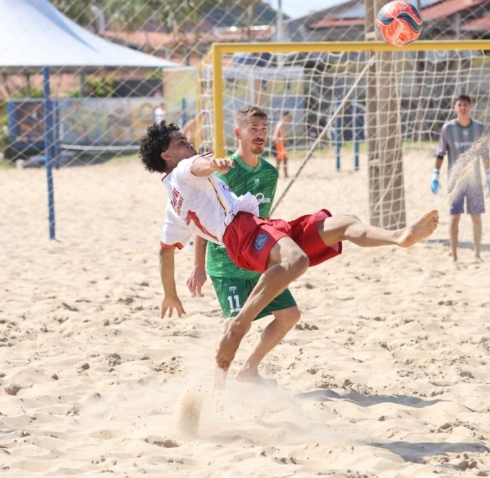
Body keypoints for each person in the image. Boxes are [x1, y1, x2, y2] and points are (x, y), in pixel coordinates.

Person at [139, 110, 439, 374]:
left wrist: (170, 294)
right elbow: (195, 167)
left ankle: (398, 237)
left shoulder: (173, 206)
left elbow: (165, 251)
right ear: (167, 156)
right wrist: (214, 166)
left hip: (258, 227)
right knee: (296, 262)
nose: (189, 143)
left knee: (342, 223)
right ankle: (239, 324)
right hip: (240, 235)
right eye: (180, 142)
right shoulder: (184, 170)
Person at [185, 107, 300, 384]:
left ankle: (249, 370)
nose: (260, 135)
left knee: (289, 315)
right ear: (238, 133)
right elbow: (205, 224)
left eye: (263, 129)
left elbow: (264, 218)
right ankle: (216, 384)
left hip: (258, 259)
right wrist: (198, 267)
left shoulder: (270, 173)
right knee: (238, 324)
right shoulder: (224, 173)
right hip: (227, 264)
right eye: (253, 129)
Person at [430, 94, 490, 262]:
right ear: (455, 108)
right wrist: (435, 175)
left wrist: (489, 176)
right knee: (454, 217)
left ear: (470, 107)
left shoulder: (479, 128)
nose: (462, 107)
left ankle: (477, 254)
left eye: (465, 104)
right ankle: (454, 255)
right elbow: (440, 153)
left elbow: (485, 153)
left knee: (476, 216)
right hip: (455, 181)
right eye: (459, 105)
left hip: (475, 180)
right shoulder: (447, 129)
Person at [272, 111, 291, 177]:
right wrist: (286, 142)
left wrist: (286, 142)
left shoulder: (283, 124)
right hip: (277, 143)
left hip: (280, 143)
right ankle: (275, 175)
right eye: (289, 116)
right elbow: (276, 137)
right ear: (285, 117)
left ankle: (285, 175)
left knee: (285, 158)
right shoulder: (281, 124)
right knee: (279, 161)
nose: (290, 118)